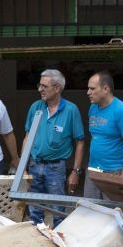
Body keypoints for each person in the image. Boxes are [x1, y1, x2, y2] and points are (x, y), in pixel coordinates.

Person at [23, 69, 84, 227]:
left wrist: (75, 171)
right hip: (35, 164)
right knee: (34, 211)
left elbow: (80, 142)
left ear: (57, 88)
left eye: (44, 86)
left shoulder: (70, 110)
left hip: (56, 168)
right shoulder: (36, 107)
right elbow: (28, 137)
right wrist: (22, 167)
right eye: (39, 85)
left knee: (58, 211)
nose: (39, 89)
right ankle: (36, 244)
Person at [83, 71, 123, 199]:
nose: (88, 92)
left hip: (114, 173)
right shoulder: (93, 108)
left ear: (105, 88)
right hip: (93, 170)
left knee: (113, 214)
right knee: (89, 212)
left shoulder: (122, 110)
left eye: (92, 88)